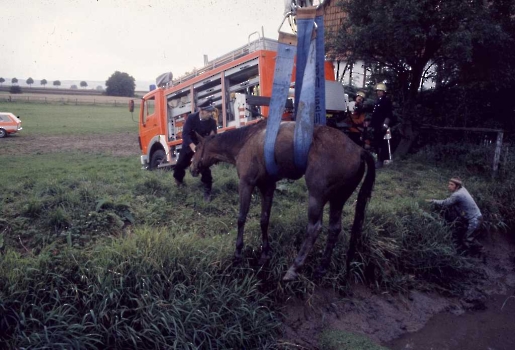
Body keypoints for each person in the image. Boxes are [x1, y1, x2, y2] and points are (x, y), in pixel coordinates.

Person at [173, 99, 217, 201]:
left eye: (211, 112)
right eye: (208, 112)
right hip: (189, 145)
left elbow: (213, 136)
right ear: (202, 111)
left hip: (202, 147)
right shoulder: (191, 118)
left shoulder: (212, 122)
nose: (210, 114)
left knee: (204, 167)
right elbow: (185, 134)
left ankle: (207, 190)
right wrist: (192, 146)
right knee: (180, 165)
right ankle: (178, 182)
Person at [426, 177, 484, 255]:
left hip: (474, 221)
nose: (449, 186)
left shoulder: (458, 195)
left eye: (451, 184)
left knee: (467, 239)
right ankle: (476, 252)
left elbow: (445, 203)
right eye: (449, 184)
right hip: (477, 217)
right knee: (469, 236)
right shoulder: (462, 189)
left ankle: (477, 254)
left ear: (457, 186)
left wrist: (432, 201)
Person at [370, 83, 394, 168]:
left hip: (382, 126)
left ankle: (381, 160)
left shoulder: (386, 101)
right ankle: (378, 159)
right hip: (376, 125)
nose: (378, 92)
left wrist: (385, 124)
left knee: (382, 144)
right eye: (377, 91)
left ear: (384, 92)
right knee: (376, 143)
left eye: (380, 91)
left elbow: (389, 114)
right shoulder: (377, 101)